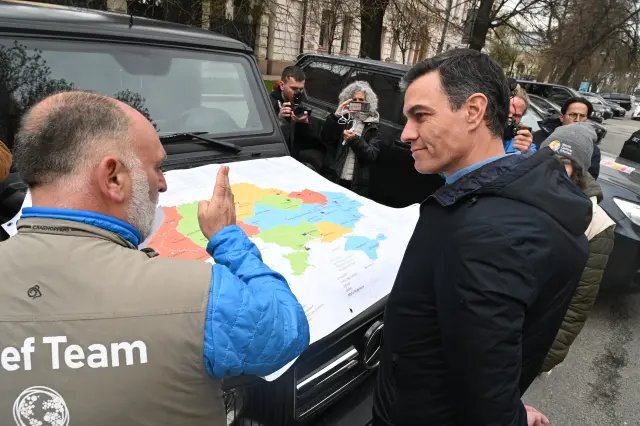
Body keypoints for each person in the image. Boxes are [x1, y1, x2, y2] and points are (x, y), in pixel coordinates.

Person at [0, 91, 310, 425]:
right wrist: (227, 238)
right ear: (113, 178)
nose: (162, 184)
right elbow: (285, 331)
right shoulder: (202, 295)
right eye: (157, 167)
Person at [372, 48, 592, 426]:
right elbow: (487, 359)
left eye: (420, 115)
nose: (406, 133)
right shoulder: (507, 196)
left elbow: (486, 394)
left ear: (473, 111)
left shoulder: (486, 234)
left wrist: (510, 416)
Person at [539, 123, 616, 373]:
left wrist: (547, 356)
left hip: (530, 339)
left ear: (579, 170)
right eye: (546, 158)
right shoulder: (518, 194)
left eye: (563, 162)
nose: (551, 168)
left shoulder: (597, 224)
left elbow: (578, 303)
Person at [319, 80, 380, 197]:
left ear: (368, 102)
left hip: (355, 183)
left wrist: (354, 140)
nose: (358, 103)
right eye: (354, 99)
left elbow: (371, 155)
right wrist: (336, 116)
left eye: (361, 100)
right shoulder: (344, 118)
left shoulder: (373, 125)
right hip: (336, 176)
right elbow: (326, 138)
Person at [532, 97, 601, 179]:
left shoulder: (592, 150)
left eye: (582, 116)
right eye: (573, 115)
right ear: (562, 117)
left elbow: (587, 182)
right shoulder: (539, 136)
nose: (577, 120)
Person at [269, 66, 323, 168]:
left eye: (301, 89)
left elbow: (305, 143)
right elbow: (262, 138)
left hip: (293, 159)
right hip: (273, 159)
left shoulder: (300, 104)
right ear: (282, 85)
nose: (297, 93)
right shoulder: (267, 103)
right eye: (293, 88)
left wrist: (304, 123)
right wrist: (279, 120)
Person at [504, 81, 535, 154]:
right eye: (507, 112)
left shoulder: (524, 143)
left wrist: (526, 153)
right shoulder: (481, 131)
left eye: (516, 115)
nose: (509, 118)